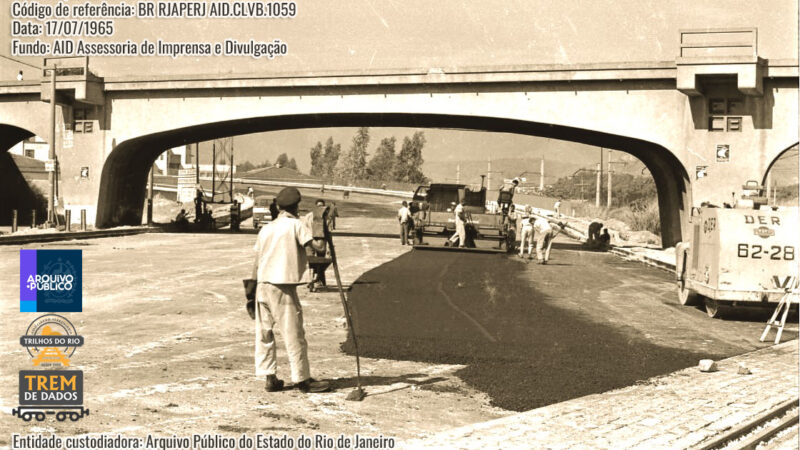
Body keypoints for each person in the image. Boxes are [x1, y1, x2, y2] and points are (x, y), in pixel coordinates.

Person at [251, 187, 330, 394]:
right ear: (296, 207)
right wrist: (321, 226)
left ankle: (270, 378)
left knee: (264, 334)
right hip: (282, 287)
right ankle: (302, 380)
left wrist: (250, 292)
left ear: (278, 206)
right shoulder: (296, 225)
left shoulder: (266, 229)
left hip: (261, 285)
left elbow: (256, 262)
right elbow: (319, 249)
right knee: (294, 334)